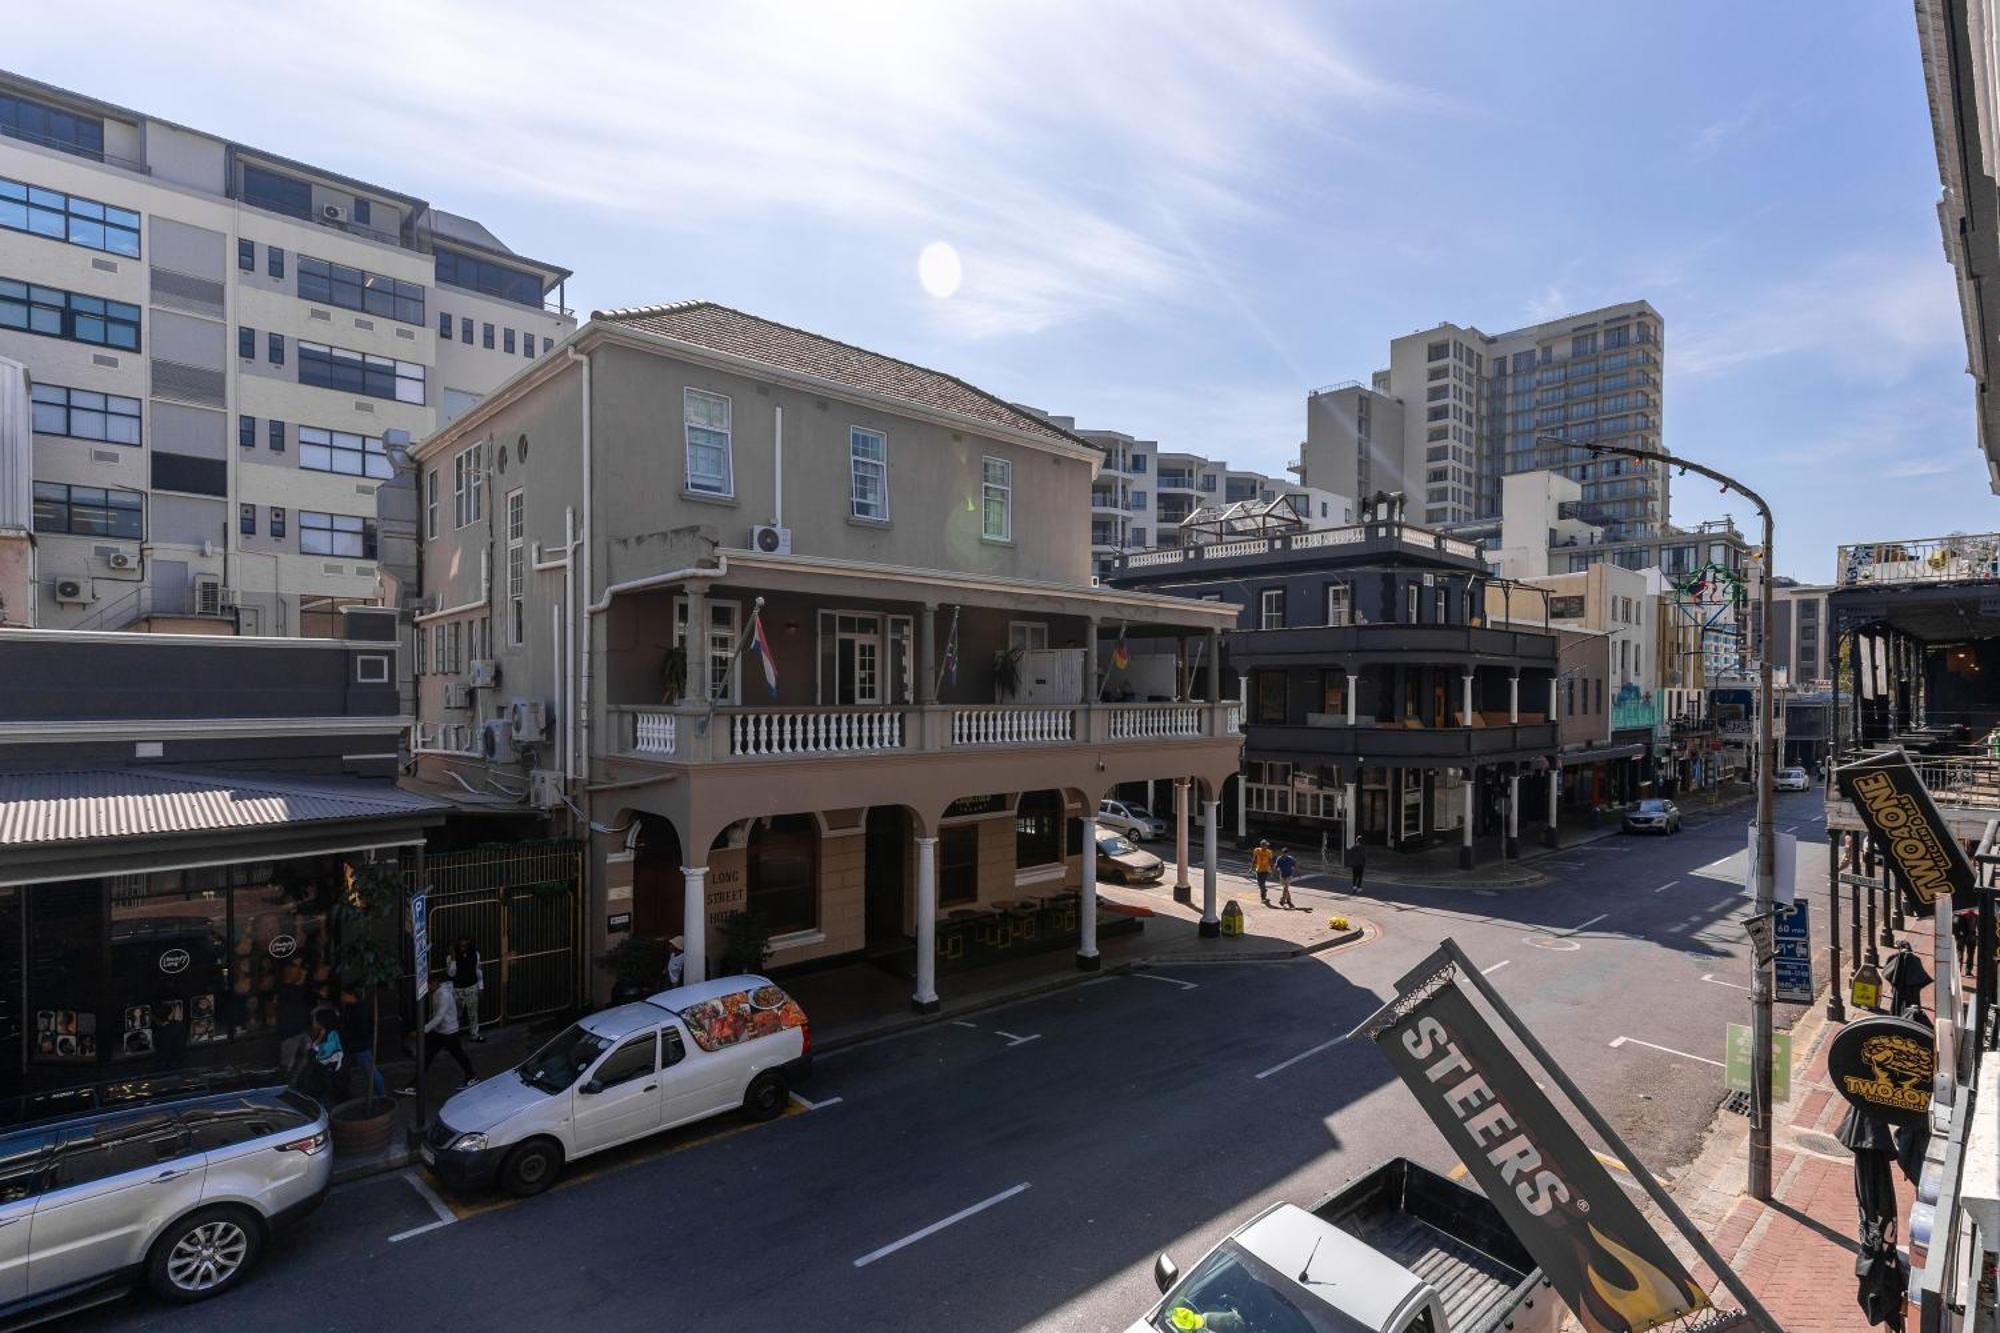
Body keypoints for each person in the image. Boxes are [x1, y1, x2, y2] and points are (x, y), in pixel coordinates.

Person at [396, 976, 476, 1094]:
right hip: (440, 1032)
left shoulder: (443, 995)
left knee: (458, 1054)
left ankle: (472, 1076)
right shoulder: (436, 993)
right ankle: (415, 1085)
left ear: (433, 984)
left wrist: (423, 1030)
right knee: (428, 1056)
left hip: (448, 1032)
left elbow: (439, 1017)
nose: (426, 988)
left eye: (427, 985)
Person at [339, 984, 387, 1100]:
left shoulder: (360, 1009)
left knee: (371, 1071)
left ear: (350, 995)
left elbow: (362, 1029)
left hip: (360, 1045)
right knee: (367, 1070)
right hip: (354, 1044)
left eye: (343, 995)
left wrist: (349, 1036)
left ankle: (382, 1096)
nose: (341, 997)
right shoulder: (351, 1007)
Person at [302, 1007, 344, 1109]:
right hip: (322, 1076)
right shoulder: (324, 1034)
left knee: (325, 1101)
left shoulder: (331, 1037)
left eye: (315, 1020)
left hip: (325, 1076)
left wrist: (312, 1049)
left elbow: (319, 1057)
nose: (313, 1022)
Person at [447, 936, 485, 1043]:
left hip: (471, 987)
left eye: (465, 945)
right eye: (461, 945)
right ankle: (453, 1038)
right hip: (457, 989)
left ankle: (475, 1034)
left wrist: (481, 986)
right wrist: (453, 958)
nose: (463, 947)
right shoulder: (451, 957)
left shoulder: (475, 954)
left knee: (473, 1013)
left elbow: (478, 971)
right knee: (455, 1015)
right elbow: (451, 973)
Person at [1250, 840, 1274, 907]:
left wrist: (1272, 870)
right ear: (1261, 845)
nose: (1266, 846)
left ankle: (1263, 898)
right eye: (1265, 845)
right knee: (1259, 884)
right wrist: (1251, 867)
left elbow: (1270, 861)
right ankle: (1264, 890)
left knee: (1262, 883)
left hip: (1265, 870)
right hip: (1258, 870)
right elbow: (1254, 859)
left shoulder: (1269, 852)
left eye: (1266, 845)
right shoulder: (1257, 850)